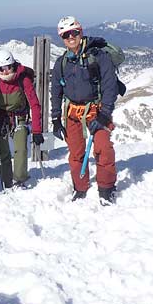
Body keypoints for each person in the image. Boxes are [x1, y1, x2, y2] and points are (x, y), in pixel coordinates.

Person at [50, 16, 118, 204]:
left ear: (81, 31)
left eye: (74, 32)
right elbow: (55, 90)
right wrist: (56, 119)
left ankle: (106, 188)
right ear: (61, 38)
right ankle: (80, 187)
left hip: (97, 110)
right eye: (66, 35)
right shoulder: (62, 62)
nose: (71, 37)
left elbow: (109, 86)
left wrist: (104, 115)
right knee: (76, 152)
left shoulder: (98, 56)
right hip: (73, 112)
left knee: (103, 149)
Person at [0, 50, 43, 189]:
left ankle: (19, 180)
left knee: (20, 149)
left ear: (13, 65)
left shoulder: (23, 80)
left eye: (8, 67)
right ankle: (7, 183)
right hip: (0, 119)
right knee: (3, 153)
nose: (5, 71)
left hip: (19, 118)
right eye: (1, 69)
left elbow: (34, 104)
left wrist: (37, 130)